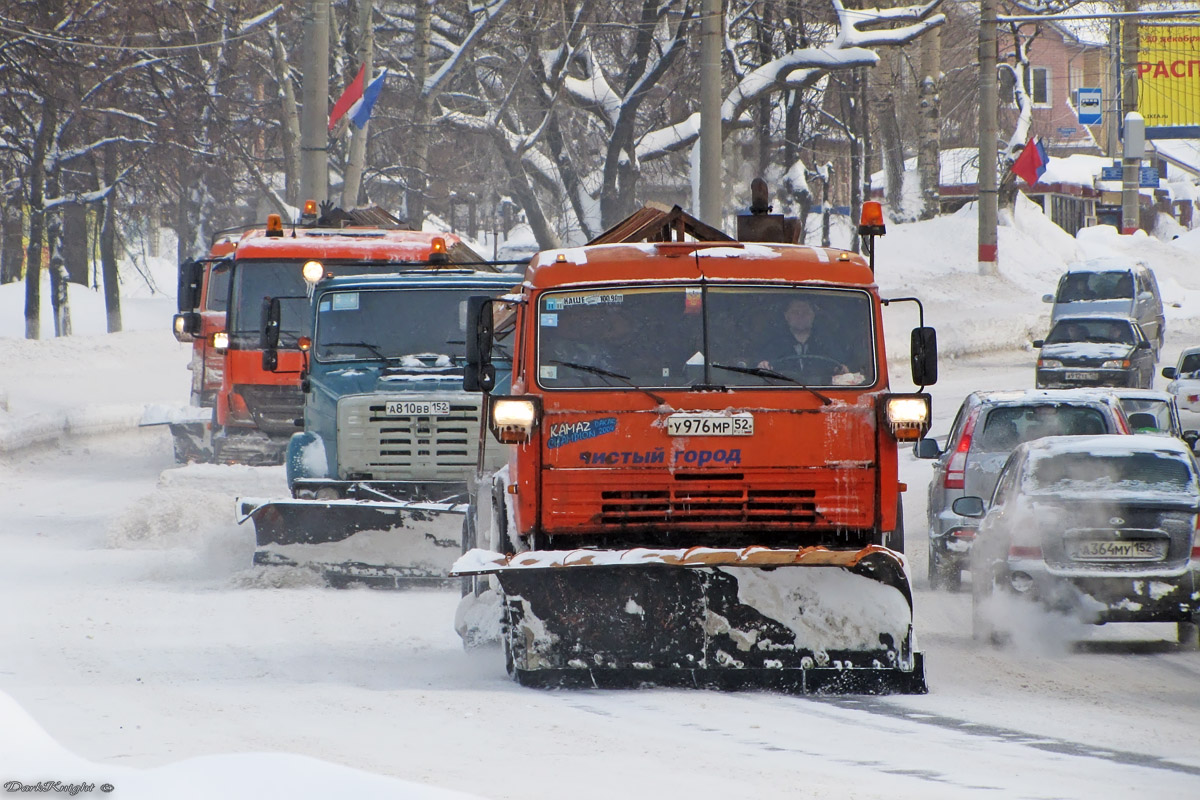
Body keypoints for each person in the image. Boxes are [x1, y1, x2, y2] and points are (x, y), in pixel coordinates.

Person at [758, 296, 853, 381]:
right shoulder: (773, 344)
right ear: (786, 316)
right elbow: (760, 369)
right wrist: (763, 365)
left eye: (806, 312)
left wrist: (842, 370)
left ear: (813, 315)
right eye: (795, 312)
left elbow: (843, 365)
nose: (801, 315)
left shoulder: (827, 342)